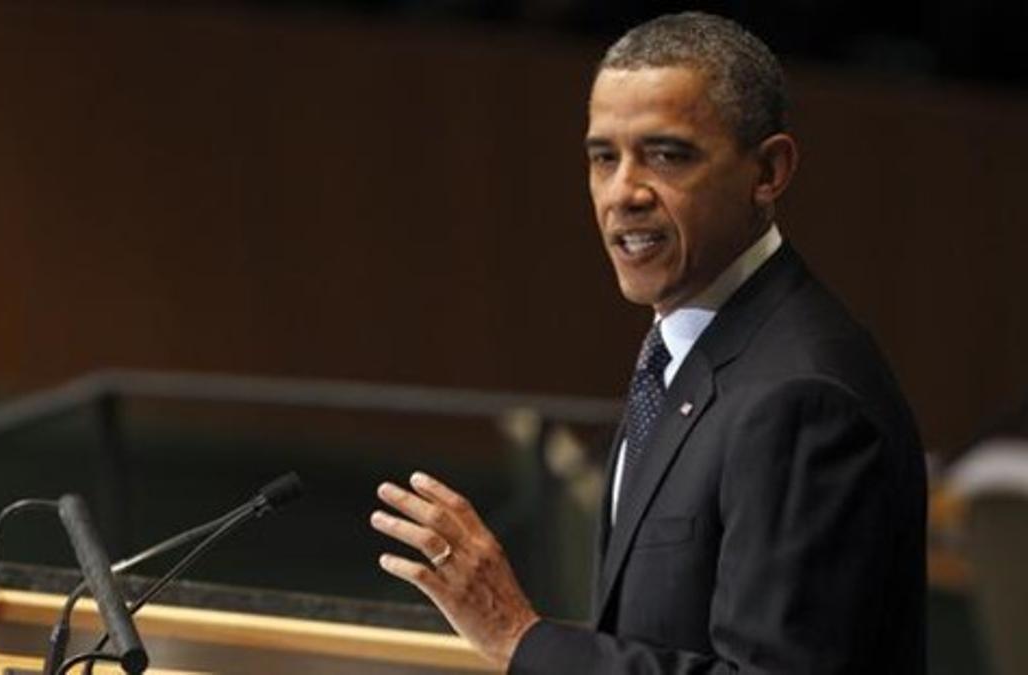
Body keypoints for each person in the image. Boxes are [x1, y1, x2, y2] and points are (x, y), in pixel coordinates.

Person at [370, 11, 926, 674]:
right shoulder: (685, 347)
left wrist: (522, 637)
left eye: (667, 155)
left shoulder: (800, 397)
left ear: (769, 171)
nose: (623, 193)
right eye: (604, 157)